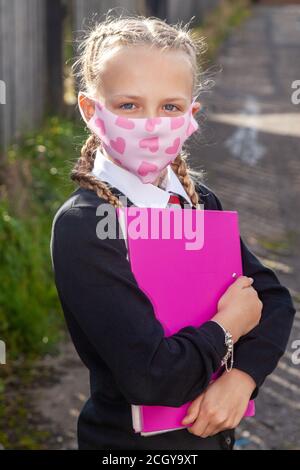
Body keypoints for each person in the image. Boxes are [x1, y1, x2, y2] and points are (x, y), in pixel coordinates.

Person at [50, 14, 296, 450]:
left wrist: (241, 379)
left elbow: (273, 301)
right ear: (91, 111)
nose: (151, 123)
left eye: (170, 107)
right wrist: (227, 328)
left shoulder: (196, 201)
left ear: (190, 115)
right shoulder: (85, 225)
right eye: (129, 105)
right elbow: (151, 376)